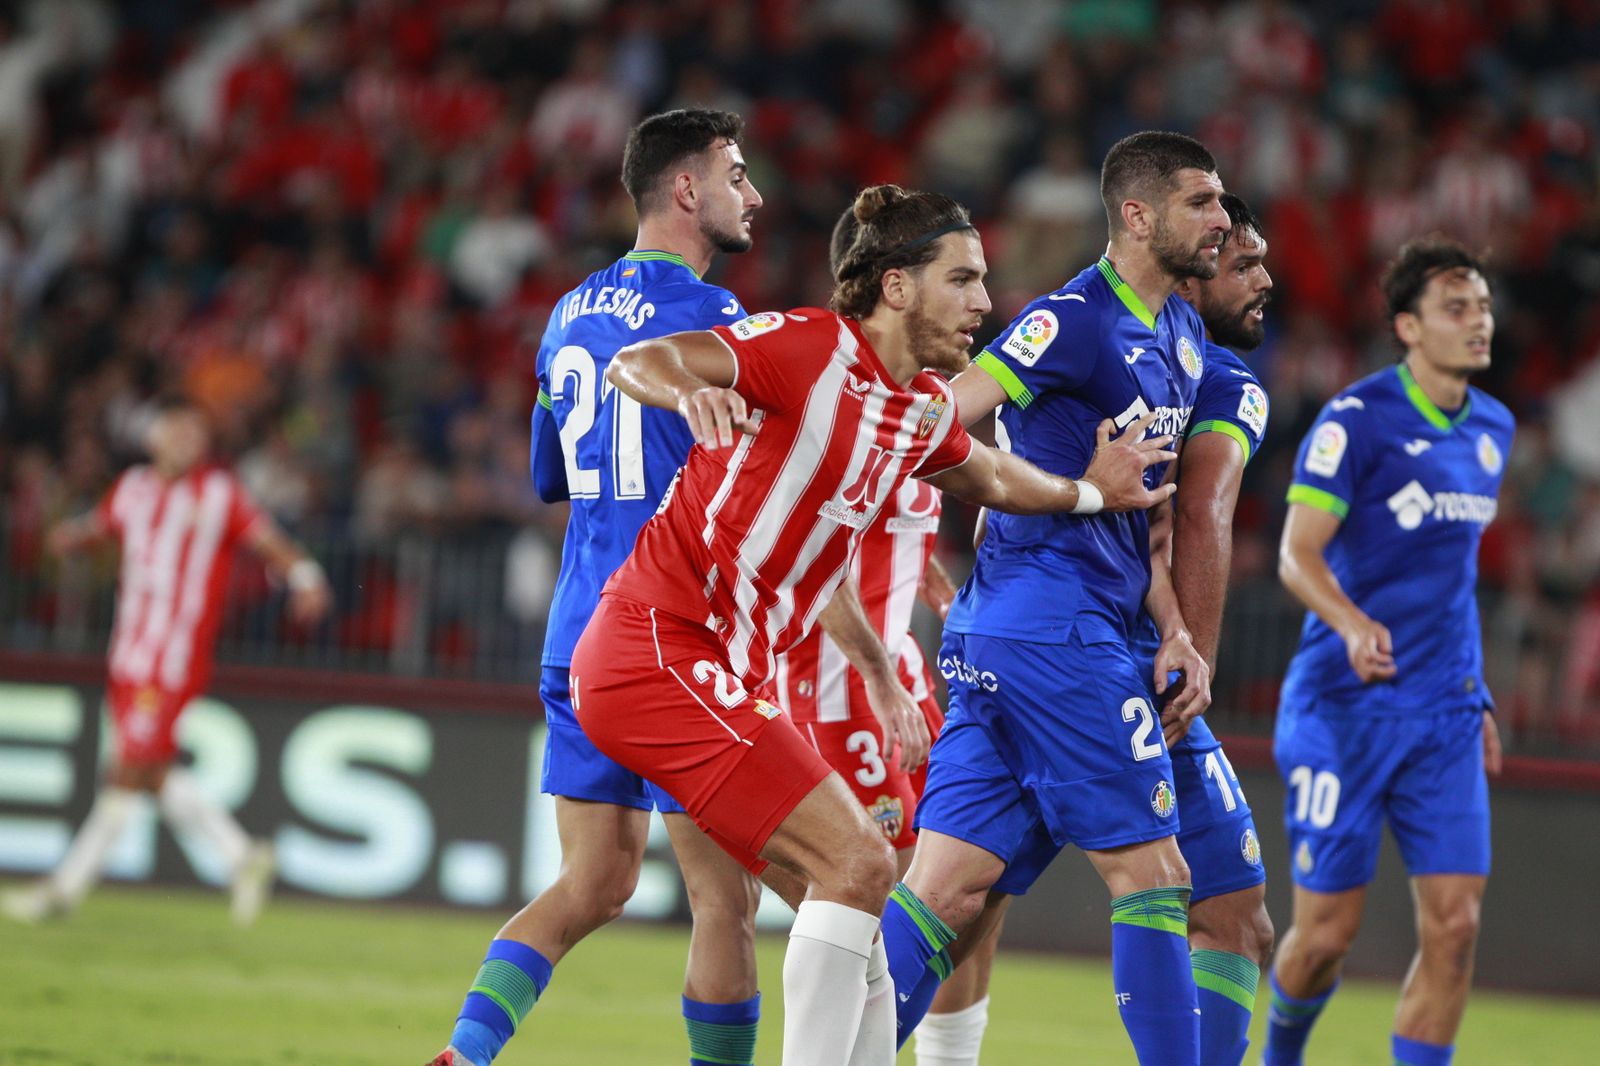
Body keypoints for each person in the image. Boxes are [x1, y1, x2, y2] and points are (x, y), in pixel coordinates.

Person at [567, 183, 1176, 1066]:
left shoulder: (915, 406)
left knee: (863, 908)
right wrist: (686, 395)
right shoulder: (811, 345)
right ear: (896, 286)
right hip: (657, 646)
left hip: (720, 670)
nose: (983, 303)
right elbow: (642, 360)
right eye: (962, 279)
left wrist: (1091, 491)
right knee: (857, 861)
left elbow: (998, 480)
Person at [904, 190, 1280, 1066]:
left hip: (1126, 643)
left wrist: (1180, 635)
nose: (1262, 280)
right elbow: (1202, 514)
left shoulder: (1182, 358)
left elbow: (1148, 526)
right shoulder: (1159, 354)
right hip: (1084, 649)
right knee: (1157, 882)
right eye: (1241, 259)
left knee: (1230, 912)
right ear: (1185, 263)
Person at [431, 108, 772, 1066]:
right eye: (737, 176)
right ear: (686, 190)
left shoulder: (567, 311)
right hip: (675, 636)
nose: (755, 196)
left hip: (579, 633)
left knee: (594, 883)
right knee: (726, 904)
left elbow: (551, 474)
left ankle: (467, 1050)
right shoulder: (720, 324)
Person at [1265, 237, 1511, 1066]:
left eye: (1480, 305)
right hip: (1344, 708)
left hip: (1442, 713)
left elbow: (1455, 576)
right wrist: (1350, 622)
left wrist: (1474, 693)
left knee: (1458, 926)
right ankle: (1281, 1055)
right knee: (1325, 935)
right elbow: (1296, 556)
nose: (1477, 322)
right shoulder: (1357, 421)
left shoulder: (1494, 431)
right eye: (1456, 308)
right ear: (1408, 326)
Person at [1, 396, 331, 927]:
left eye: (194, 435)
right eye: (176, 432)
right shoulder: (132, 487)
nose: (185, 442)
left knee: (126, 772)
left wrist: (306, 578)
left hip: (172, 660)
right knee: (150, 772)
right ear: (154, 438)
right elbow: (99, 525)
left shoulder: (220, 494)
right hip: (126, 655)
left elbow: (271, 542)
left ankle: (61, 892)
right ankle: (242, 856)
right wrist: (69, 536)